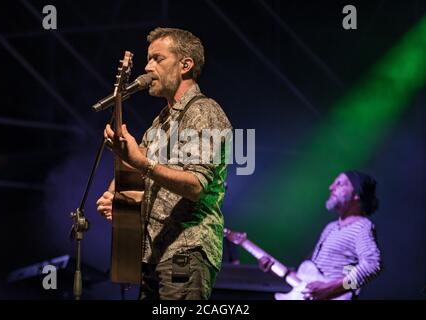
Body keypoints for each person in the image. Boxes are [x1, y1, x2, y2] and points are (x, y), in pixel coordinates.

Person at [96, 27, 232, 300]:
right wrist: (115, 194)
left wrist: (141, 162)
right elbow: (137, 168)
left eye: (157, 59)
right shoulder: (161, 121)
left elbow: (196, 185)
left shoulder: (204, 111)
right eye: (147, 59)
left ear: (185, 65)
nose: (147, 67)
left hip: (186, 252)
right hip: (153, 255)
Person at [259, 171, 382, 300]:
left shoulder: (362, 226)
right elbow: (307, 279)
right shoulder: (330, 227)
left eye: (339, 184)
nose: (331, 187)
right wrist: (272, 270)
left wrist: (331, 288)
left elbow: (372, 265)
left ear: (357, 194)